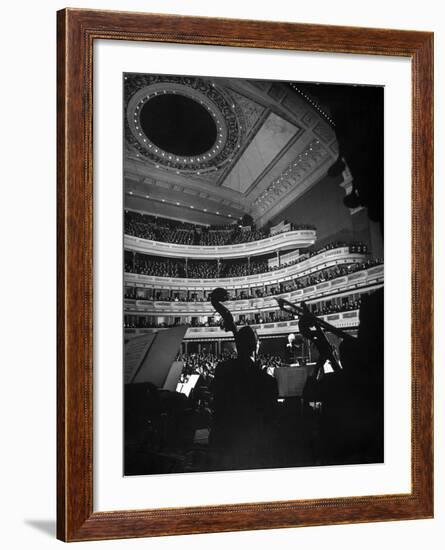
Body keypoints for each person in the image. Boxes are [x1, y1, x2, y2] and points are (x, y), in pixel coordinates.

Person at [210, 322, 278, 470]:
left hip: (222, 442)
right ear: (255, 347)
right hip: (252, 448)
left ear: (237, 346)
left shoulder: (222, 369)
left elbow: (216, 404)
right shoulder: (266, 381)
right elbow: (270, 418)